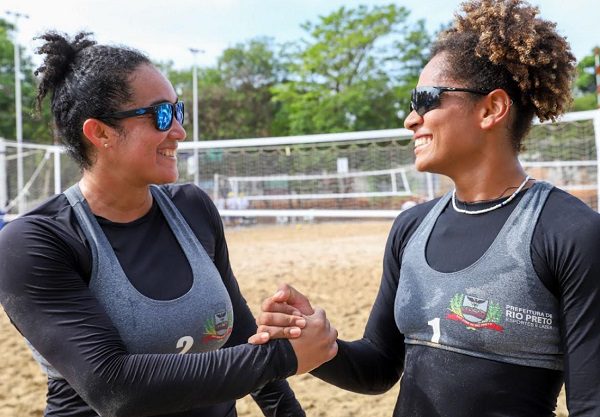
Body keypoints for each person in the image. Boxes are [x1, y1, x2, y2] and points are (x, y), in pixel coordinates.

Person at [249, 1, 600, 416]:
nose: (409, 119)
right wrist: (319, 345)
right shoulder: (411, 227)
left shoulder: (570, 233)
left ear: (491, 109)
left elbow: (590, 404)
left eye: (425, 99)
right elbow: (378, 367)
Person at [0, 31, 337, 417]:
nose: (179, 131)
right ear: (100, 133)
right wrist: (281, 358)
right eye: (161, 115)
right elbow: (114, 387)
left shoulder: (192, 208)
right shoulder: (35, 241)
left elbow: (241, 333)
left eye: (179, 112)